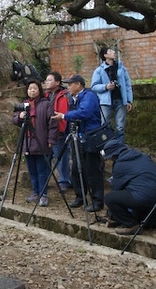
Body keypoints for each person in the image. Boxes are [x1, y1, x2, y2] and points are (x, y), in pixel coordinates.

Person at [51, 74, 104, 212]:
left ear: (78, 84)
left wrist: (64, 116)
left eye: (70, 84)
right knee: (76, 168)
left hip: (90, 137)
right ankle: (80, 196)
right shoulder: (73, 98)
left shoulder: (89, 96)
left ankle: (97, 201)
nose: (68, 87)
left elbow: (84, 113)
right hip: (77, 137)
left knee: (93, 169)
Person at [102, 140, 156, 235]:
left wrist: (113, 214)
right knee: (138, 218)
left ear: (113, 155)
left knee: (110, 198)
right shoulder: (143, 156)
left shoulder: (120, 164)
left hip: (143, 197)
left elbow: (117, 188)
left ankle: (130, 225)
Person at [13, 79, 58, 206]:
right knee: (32, 170)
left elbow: (53, 123)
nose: (32, 91)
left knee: (42, 170)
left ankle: (44, 194)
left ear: (39, 90)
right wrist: (19, 117)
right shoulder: (24, 104)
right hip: (27, 142)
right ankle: (35, 192)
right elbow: (15, 119)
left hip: (41, 140)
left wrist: (51, 140)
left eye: (34, 88)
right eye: (29, 89)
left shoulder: (46, 104)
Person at [91, 47, 133, 143]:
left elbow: (127, 84)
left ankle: (119, 147)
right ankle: (107, 147)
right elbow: (94, 86)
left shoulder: (121, 68)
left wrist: (129, 100)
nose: (114, 52)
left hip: (120, 100)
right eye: (110, 51)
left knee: (120, 126)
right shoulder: (99, 70)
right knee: (104, 125)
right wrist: (106, 87)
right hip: (105, 102)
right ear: (105, 55)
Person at [44, 71, 72, 192]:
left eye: (50, 80)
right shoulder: (44, 95)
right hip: (46, 130)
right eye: (46, 80)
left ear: (57, 82)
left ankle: (64, 181)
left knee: (62, 156)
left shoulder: (66, 94)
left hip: (60, 130)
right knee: (46, 157)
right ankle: (44, 180)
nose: (47, 82)